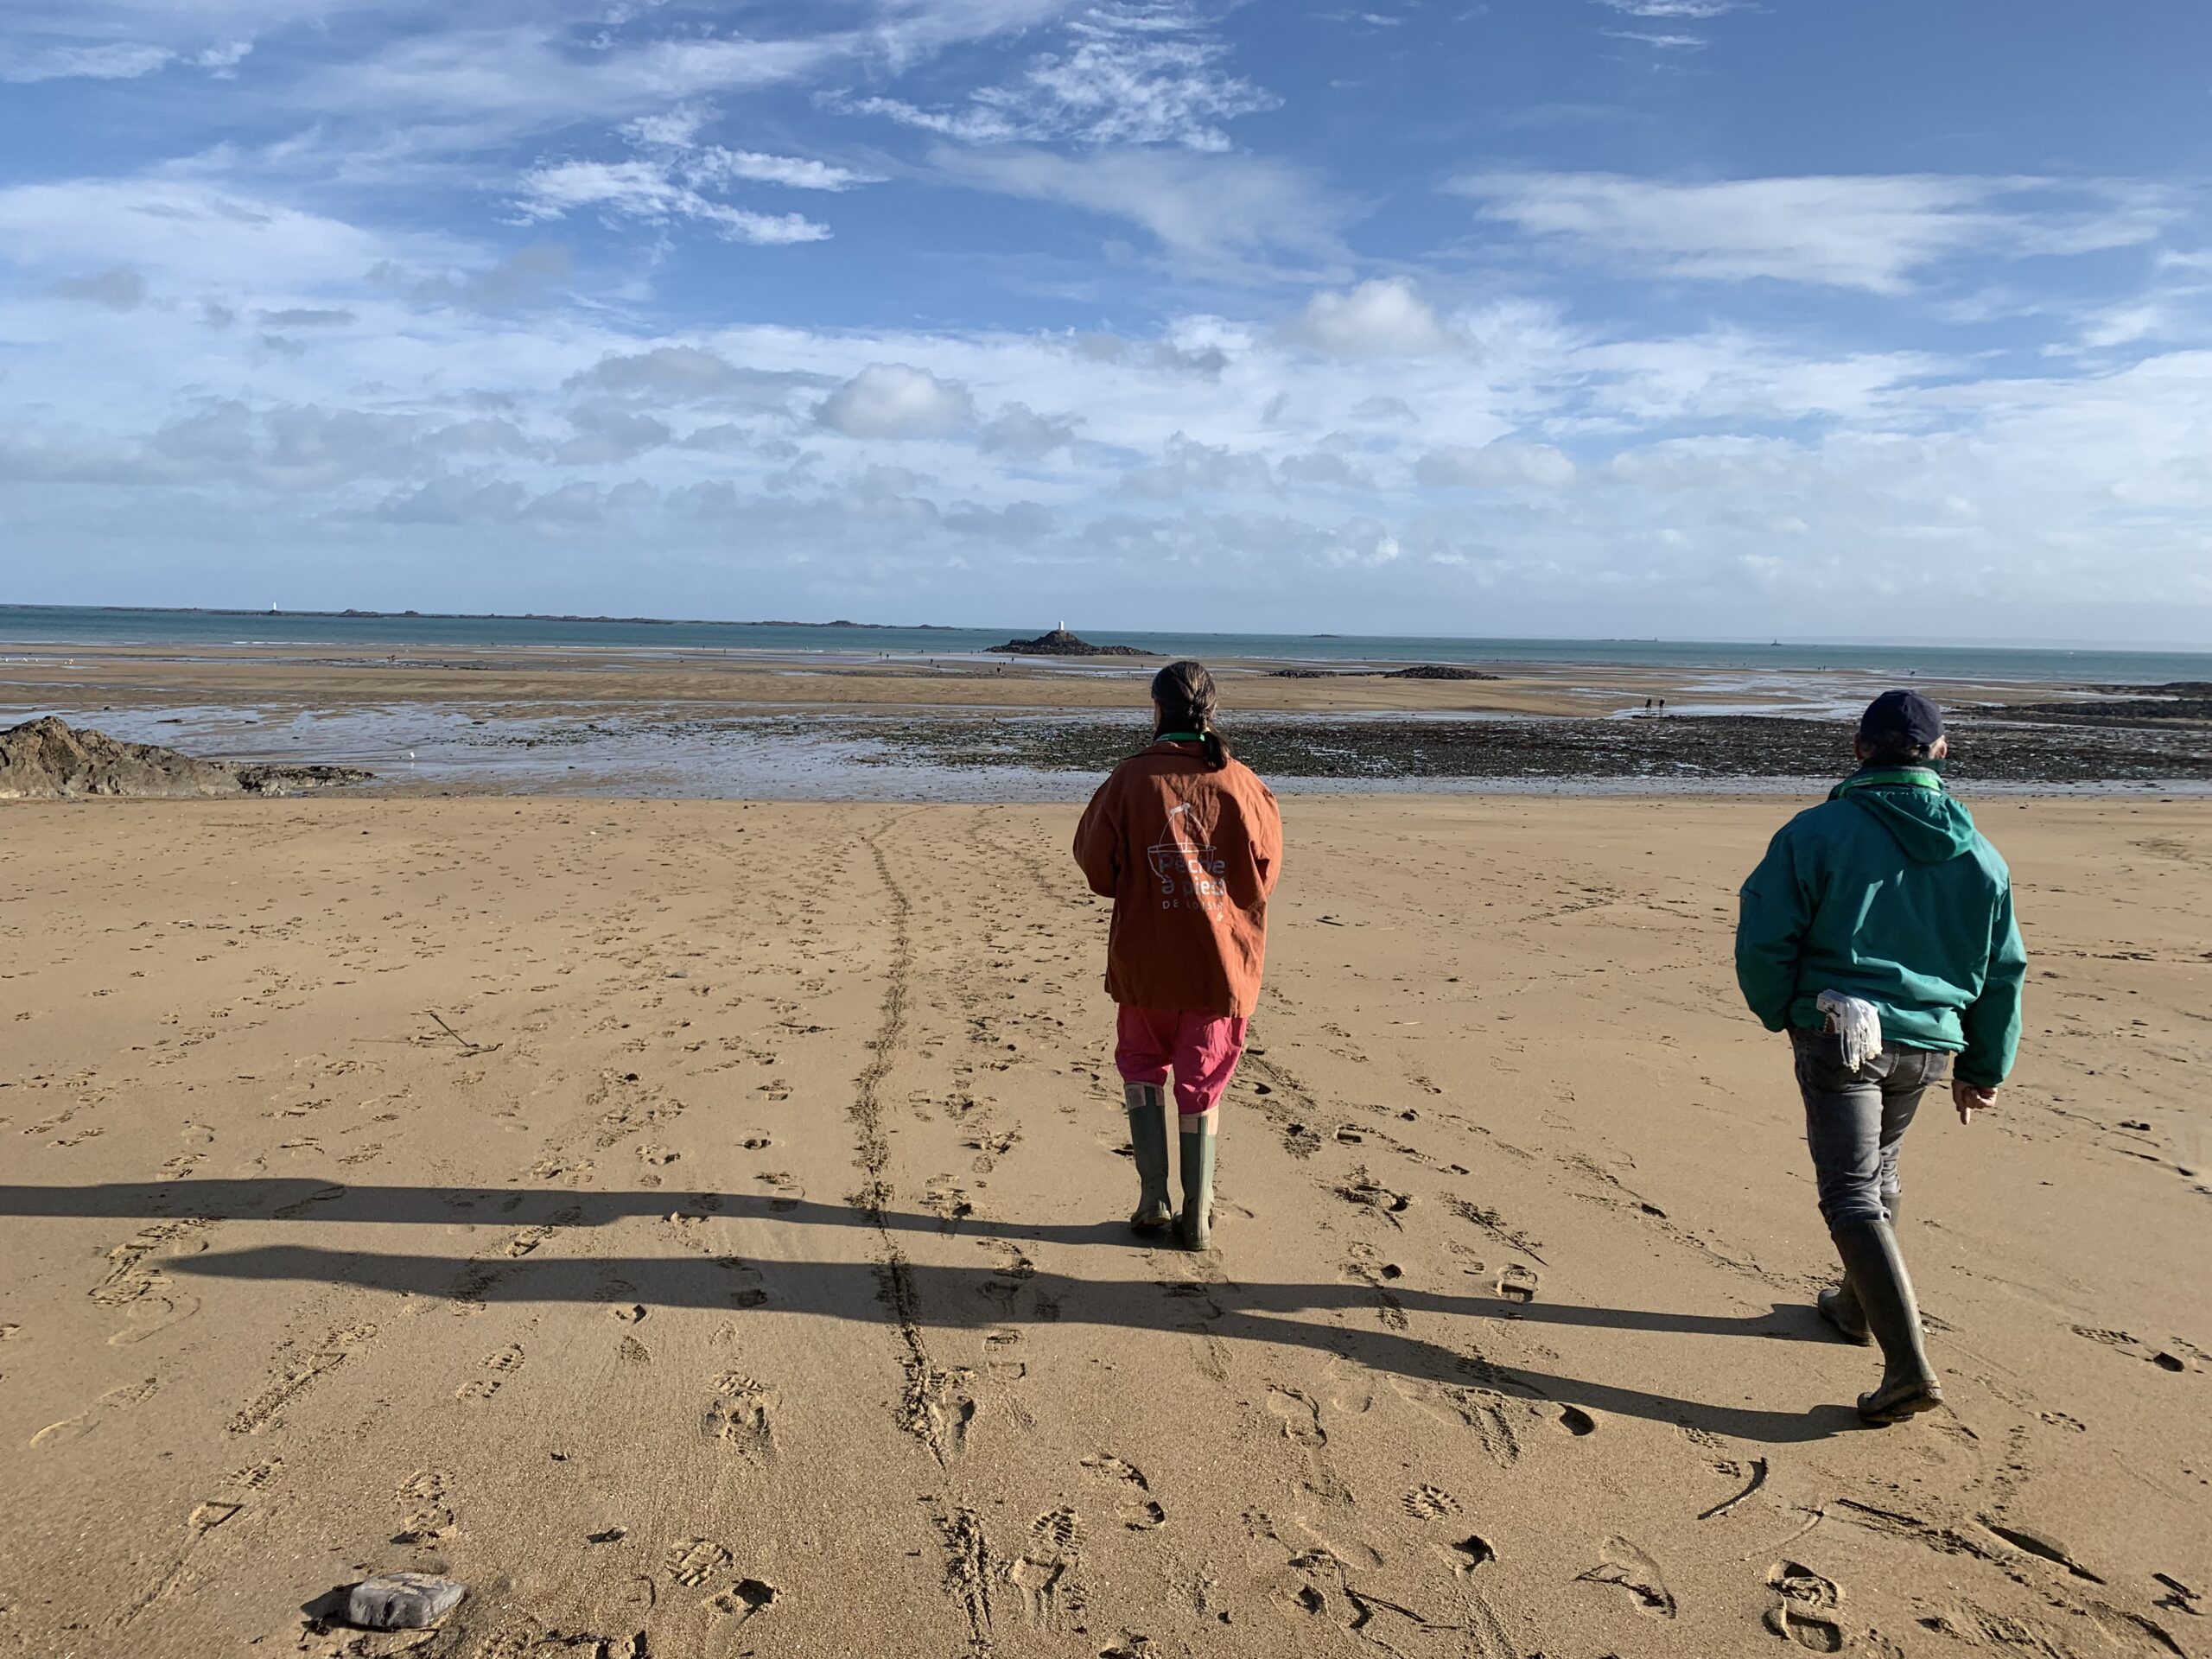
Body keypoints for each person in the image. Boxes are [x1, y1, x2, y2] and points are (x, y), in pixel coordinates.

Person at [1736, 690, 2026, 1423]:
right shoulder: (1981, 854)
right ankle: (1854, 1307)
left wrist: (1783, 1011)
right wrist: (1982, 1069)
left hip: (1843, 1034)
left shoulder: (1818, 831)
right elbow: (2002, 969)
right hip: (1928, 1042)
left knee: (1851, 1191)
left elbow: (1766, 934)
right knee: (1879, 1172)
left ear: (1861, 749)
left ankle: (1907, 1368)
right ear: (1938, 752)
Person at [1073, 661, 1282, 1250]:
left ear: (1158, 709)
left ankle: (1153, 1195)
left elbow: (1096, 867)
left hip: (1148, 959)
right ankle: (1200, 1210)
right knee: (1203, 1083)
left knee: (1142, 1065)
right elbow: (1264, 875)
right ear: (1210, 710)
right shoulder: (1243, 782)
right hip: (1220, 963)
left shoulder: (1130, 779)